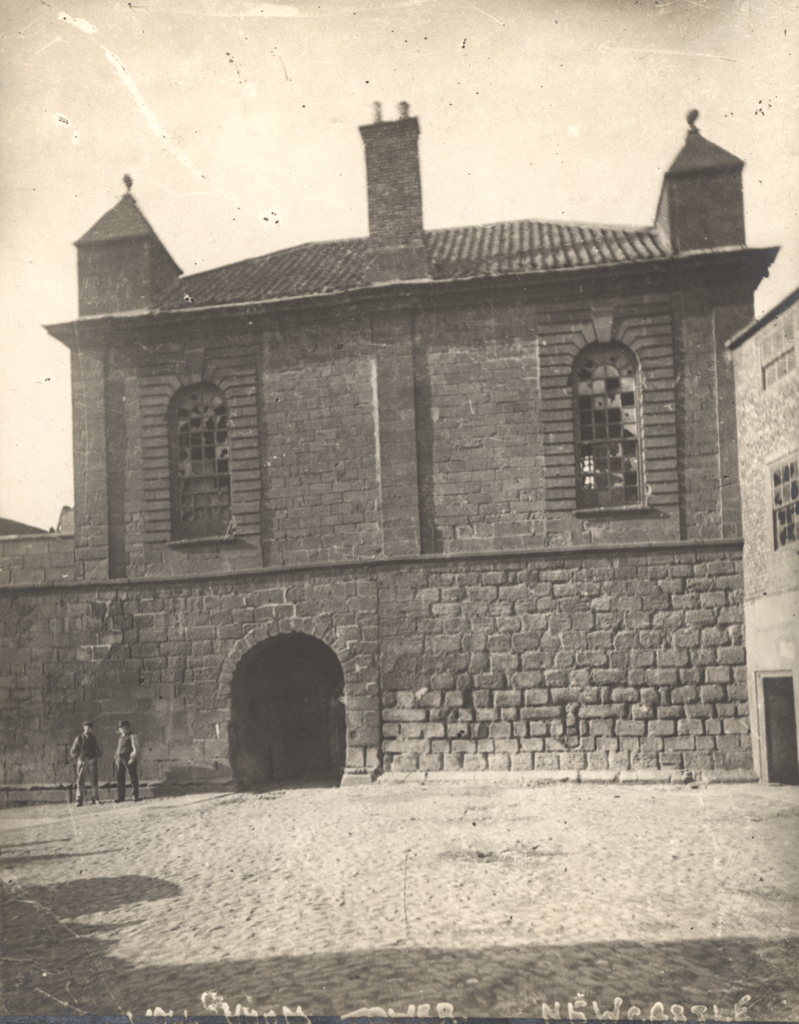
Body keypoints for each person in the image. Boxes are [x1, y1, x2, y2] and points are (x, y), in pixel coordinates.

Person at [70, 721, 102, 806]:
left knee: (94, 780)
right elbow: (73, 751)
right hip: (82, 761)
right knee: (80, 780)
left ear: (91, 729)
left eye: (90, 727)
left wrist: (96, 756)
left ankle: (95, 798)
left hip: (92, 760)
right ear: (84, 728)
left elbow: (100, 750)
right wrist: (79, 757)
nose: (88, 729)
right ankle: (79, 799)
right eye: (86, 727)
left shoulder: (94, 738)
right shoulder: (79, 738)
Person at [114, 720, 140, 802]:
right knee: (119, 777)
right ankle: (121, 797)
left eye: (121, 728)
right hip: (119, 758)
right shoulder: (121, 736)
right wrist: (116, 757)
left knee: (132, 776)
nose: (120, 729)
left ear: (126, 728)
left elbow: (135, 749)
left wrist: (132, 758)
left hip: (128, 757)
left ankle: (135, 795)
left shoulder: (132, 735)